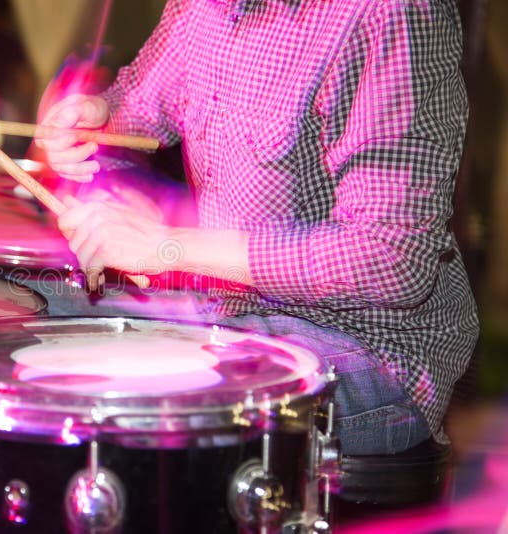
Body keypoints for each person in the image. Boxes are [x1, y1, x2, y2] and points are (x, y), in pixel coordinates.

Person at [35, 0, 479, 456]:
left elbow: (392, 257)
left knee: (137, 401)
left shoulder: (387, 13)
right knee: (26, 321)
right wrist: (96, 118)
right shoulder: (201, 7)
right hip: (226, 313)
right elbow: (139, 103)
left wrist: (166, 246)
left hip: (366, 345)